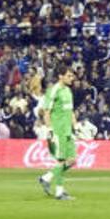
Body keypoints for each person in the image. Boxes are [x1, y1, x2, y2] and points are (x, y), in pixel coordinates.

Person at [38, 67, 78, 201]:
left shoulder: (68, 91)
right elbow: (46, 112)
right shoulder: (54, 90)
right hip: (58, 130)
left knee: (72, 160)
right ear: (60, 76)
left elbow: (71, 111)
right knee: (61, 161)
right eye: (69, 75)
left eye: (72, 76)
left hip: (68, 131)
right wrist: (50, 130)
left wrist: (76, 126)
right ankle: (59, 192)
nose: (71, 78)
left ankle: (46, 177)